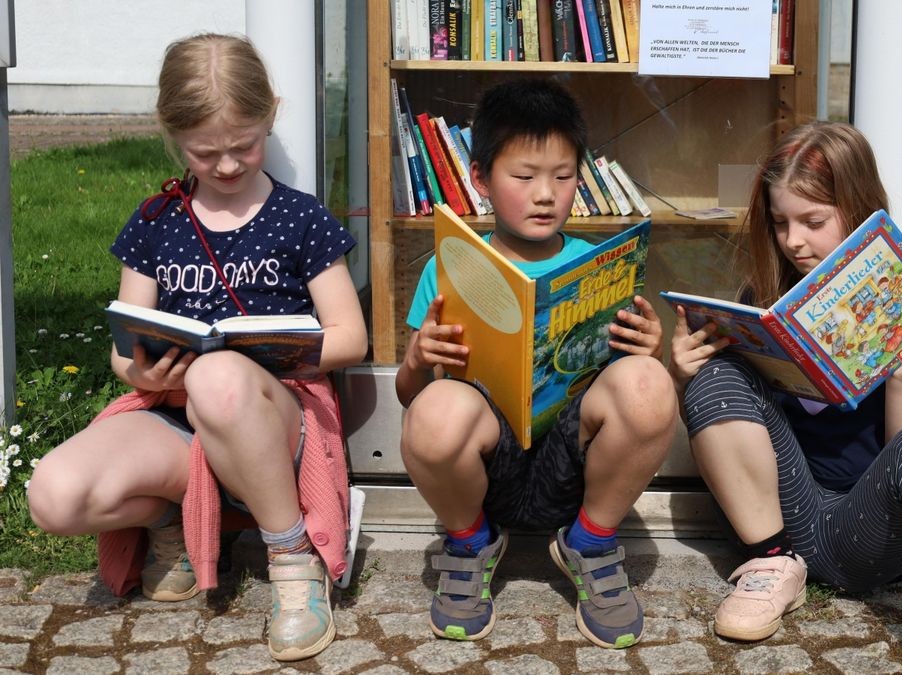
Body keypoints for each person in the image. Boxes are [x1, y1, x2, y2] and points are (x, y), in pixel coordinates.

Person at [27, 33, 367, 663]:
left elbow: (352, 336)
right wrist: (145, 367)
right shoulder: (158, 220)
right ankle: (171, 524)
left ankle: (292, 557)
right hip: (177, 417)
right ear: (170, 134)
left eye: (244, 145)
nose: (230, 165)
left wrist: (256, 357)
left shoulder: (300, 216)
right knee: (52, 494)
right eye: (206, 153)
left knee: (220, 380)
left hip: (273, 417)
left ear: (272, 114)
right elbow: (123, 347)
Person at [667, 122, 902, 675]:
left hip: (870, 532)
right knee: (715, 377)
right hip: (784, 521)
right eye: (780, 223)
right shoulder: (763, 297)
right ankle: (772, 568)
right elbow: (731, 422)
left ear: (859, 212)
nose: (793, 240)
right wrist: (687, 377)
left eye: (813, 222)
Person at [395, 78, 676, 649]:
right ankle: (472, 543)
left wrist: (649, 350)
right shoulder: (447, 269)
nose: (545, 194)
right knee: (435, 410)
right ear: (481, 180)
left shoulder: (596, 266)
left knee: (648, 383)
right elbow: (408, 398)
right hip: (486, 470)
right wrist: (418, 358)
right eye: (524, 177)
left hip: (572, 468)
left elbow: (634, 397)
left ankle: (591, 542)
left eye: (564, 176)